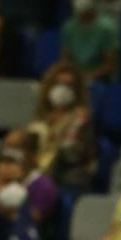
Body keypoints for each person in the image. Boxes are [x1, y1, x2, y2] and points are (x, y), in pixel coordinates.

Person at [31, 64, 95, 192]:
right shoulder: (40, 118)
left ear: (77, 90)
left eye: (68, 85)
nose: (62, 89)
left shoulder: (81, 117)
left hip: (67, 173)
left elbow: (71, 152)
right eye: (58, 83)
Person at [59, 0, 120, 83]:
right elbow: (66, 61)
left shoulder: (107, 27)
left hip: (99, 83)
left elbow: (110, 66)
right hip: (75, 81)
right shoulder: (69, 27)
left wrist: (87, 77)